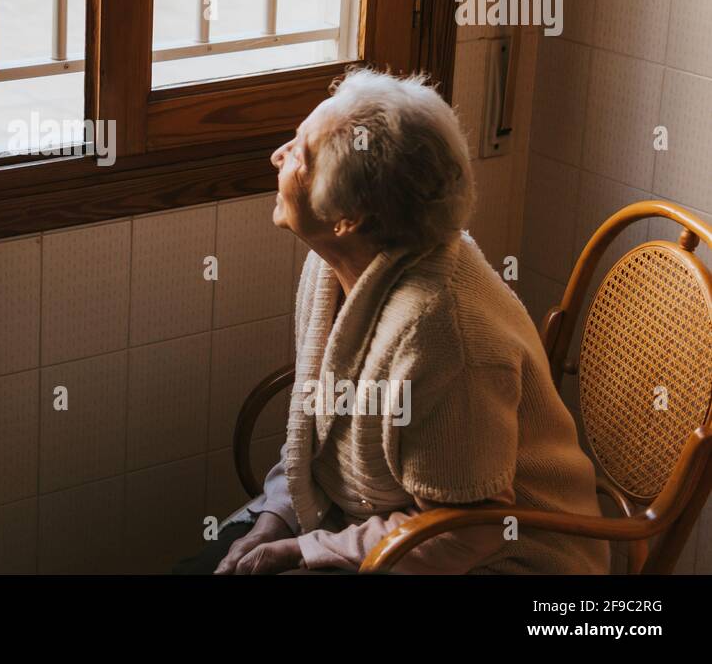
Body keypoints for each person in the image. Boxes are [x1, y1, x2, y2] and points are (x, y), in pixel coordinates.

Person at [176, 67, 609, 575]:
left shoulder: (444, 331)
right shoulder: (336, 262)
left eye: (299, 154)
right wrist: (277, 515)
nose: (277, 156)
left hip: (504, 556)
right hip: (375, 519)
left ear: (347, 217)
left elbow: (470, 528)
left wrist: (305, 550)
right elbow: (321, 434)